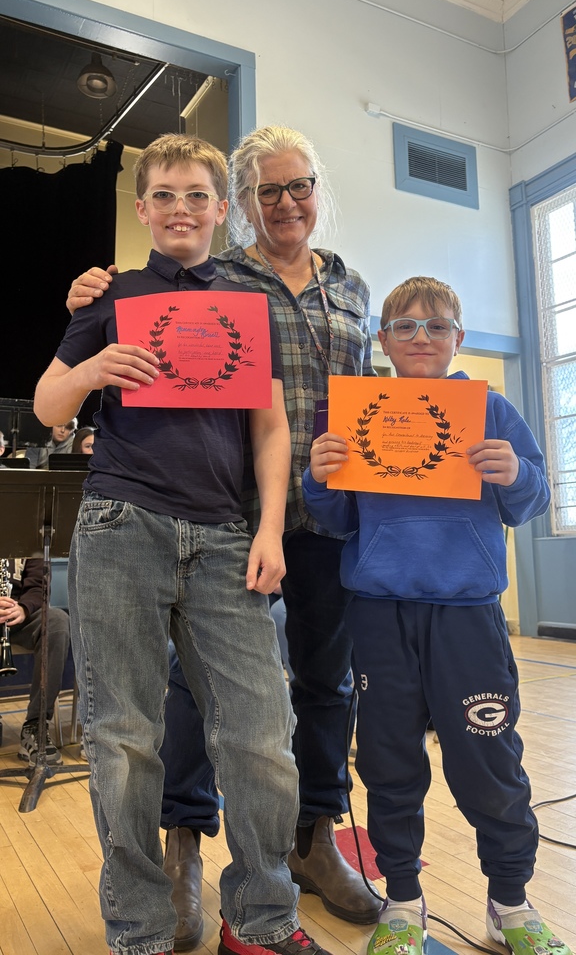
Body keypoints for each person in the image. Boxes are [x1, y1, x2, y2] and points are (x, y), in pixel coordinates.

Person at [66, 124, 382, 941]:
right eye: (268, 191)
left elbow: (361, 395)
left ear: (317, 191)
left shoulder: (350, 288)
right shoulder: (206, 277)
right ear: (241, 206)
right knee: (175, 707)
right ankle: (182, 850)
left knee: (310, 696)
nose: (287, 202)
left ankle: (309, 847)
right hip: (219, 515)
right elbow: (81, 373)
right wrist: (89, 311)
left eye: (299, 186)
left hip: (324, 516)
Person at [302, 275, 572, 955]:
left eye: (436, 326)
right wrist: (319, 476)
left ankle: (509, 902)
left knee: (490, 760)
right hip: (380, 613)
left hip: (467, 615)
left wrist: (516, 471)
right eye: (405, 326)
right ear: (383, 340)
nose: (421, 337)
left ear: (458, 337)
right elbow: (333, 520)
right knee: (390, 761)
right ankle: (403, 904)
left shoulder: (493, 412)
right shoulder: (356, 412)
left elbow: (530, 500)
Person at [0, 557, 70, 766]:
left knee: (56, 622)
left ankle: (35, 725)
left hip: (19, 614)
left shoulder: (24, 531)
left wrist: (23, 609)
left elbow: (39, 584)